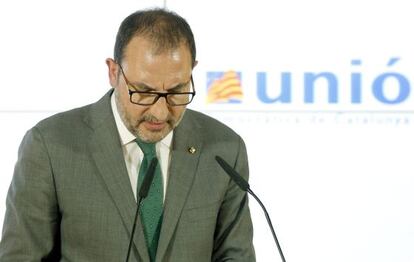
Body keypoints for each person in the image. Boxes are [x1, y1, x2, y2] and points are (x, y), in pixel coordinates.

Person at [0, 8, 255, 262]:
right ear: (113, 72)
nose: (159, 112)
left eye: (177, 90)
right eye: (143, 91)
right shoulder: (50, 146)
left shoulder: (224, 150)